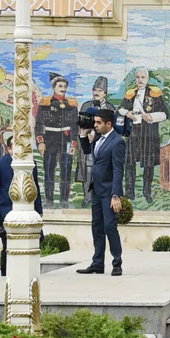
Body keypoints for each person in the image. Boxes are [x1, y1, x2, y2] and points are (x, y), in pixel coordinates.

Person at [0, 128, 43, 277]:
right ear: (9, 149)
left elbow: (35, 187)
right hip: (4, 209)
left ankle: (26, 271)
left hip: (27, 210)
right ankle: (8, 273)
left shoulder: (30, 163)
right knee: (8, 241)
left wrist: (39, 209)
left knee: (38, 238)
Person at [76, 109, 124, 276]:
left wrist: (116, 195)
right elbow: (89, 151)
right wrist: (83, 134)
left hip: (109, 192)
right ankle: (97, 263)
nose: (94, 125)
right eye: (94, 122)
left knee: (109, 226)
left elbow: (118, 170)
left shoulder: (117, 142)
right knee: (97, 227)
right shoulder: (98, 137)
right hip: (96, 190)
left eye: (98, 123)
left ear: (108, 124)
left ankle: (117, 263)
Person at [118, 67, 168, 203]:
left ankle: (147, 192)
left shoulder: (155, 94)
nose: (140, 80)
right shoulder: (130, 94)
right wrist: (127, 113)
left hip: (149, 133)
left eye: (142, 77)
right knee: (129, 163)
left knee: (149, 164)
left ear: (147, 79)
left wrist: (151, 116)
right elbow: (121, 109)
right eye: (138, 77)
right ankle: (129, 193)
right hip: (133, 131)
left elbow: (165, 114)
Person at [35, 72, 78, 209]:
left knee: (66, 171)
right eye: (60, 86)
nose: (63, 89)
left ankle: (64, 200)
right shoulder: (45, 104)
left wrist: (73, 143)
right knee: (49, 171)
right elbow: (38, 125)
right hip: (50, 140)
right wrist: (40, 142)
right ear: (54, 87)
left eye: (65, 86)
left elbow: (74, 126)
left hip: (66, 140)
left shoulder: (71, 105)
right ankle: (49, 201)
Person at [75, 76, 110, 207]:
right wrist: (88, 134)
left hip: (104, 145)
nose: (96, 93)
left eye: (100, 90)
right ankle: (87, 197)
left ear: (105, 93)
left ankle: (102, 197)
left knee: (104, 171)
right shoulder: (86, 106)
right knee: (88, 170)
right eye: (95, 90)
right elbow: (81, 124)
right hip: (89, 144)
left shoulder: (110, 108)